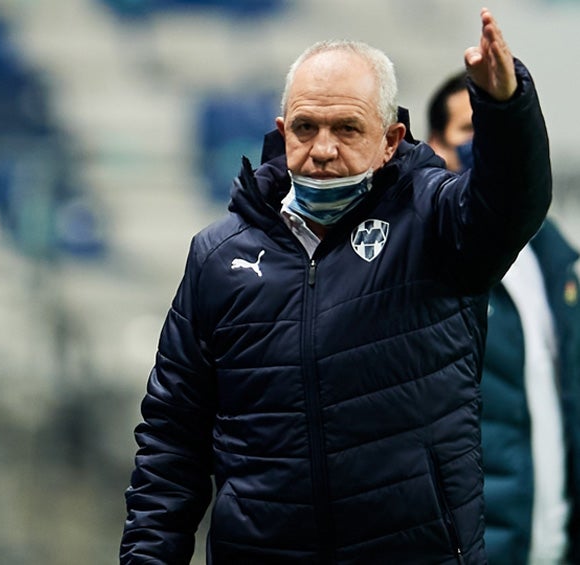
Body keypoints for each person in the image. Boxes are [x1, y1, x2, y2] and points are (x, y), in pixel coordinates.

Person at [120, 8, 552, 564]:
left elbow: (512, 204)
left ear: (391, 139)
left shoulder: (435, 224)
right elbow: (170, 444)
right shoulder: (218, 256)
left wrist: (504, 105)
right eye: (306, 128)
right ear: (283, 132)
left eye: (347, 129)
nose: (323, 148)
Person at [427, 72, 580, 565]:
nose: (487, 140)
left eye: (498, 124)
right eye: (471, 127)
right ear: (436, 146)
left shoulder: (555, 260)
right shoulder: (426, 257)